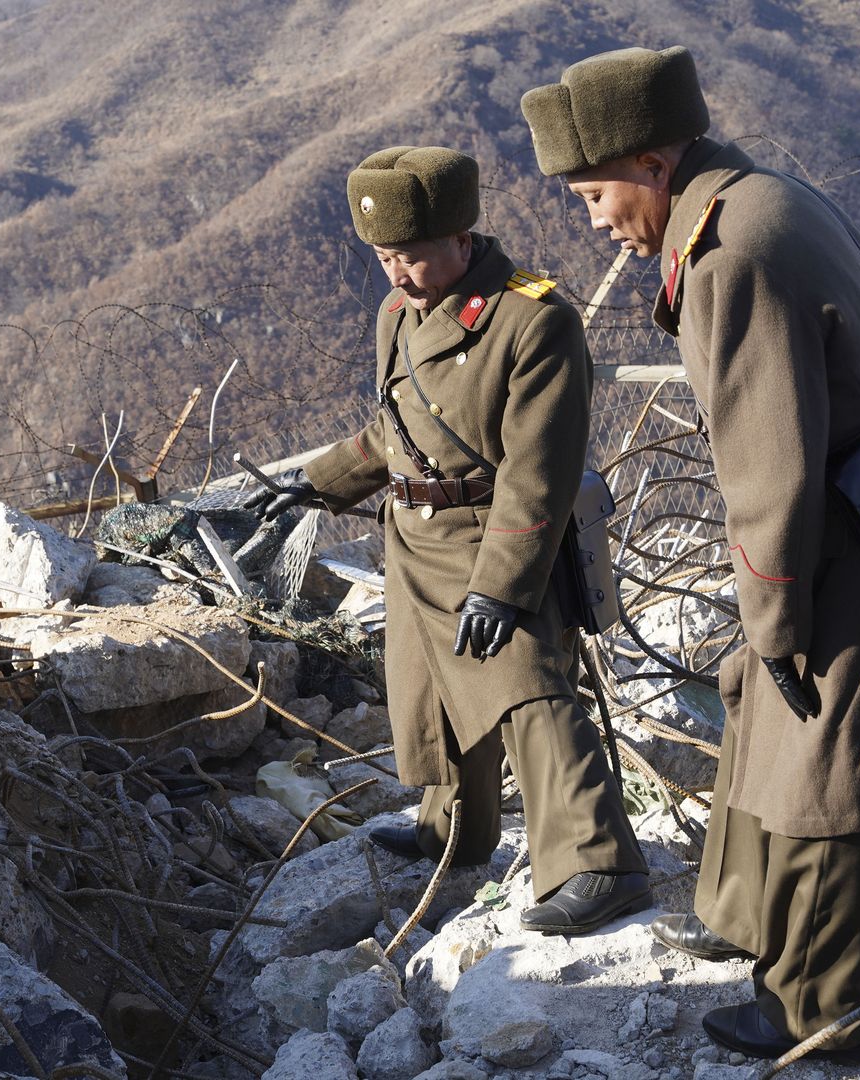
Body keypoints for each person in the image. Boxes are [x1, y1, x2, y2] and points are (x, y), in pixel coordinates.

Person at [520, 47, 860, 1062]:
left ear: (654, 162)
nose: (594, 218)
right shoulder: (759, 195)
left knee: (833, 783)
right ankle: (746, 919)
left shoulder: (727, 256)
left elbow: (768, 465)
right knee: (774, 727)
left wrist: (776, 621)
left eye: (595, 192)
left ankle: (817, 1013)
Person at [249, 145, 648, 934]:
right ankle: (455, 831)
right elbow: (395, 431)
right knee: (430, 685)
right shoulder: (398, 315)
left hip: (496, 533)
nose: (397, 274)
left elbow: (540, 470)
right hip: (414, 537)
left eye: (412, 257)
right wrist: (318, 482)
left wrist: (503, 583)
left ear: (463, 240)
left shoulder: (532, 319)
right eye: (385, 258)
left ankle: (600, 863)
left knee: (525, 687)